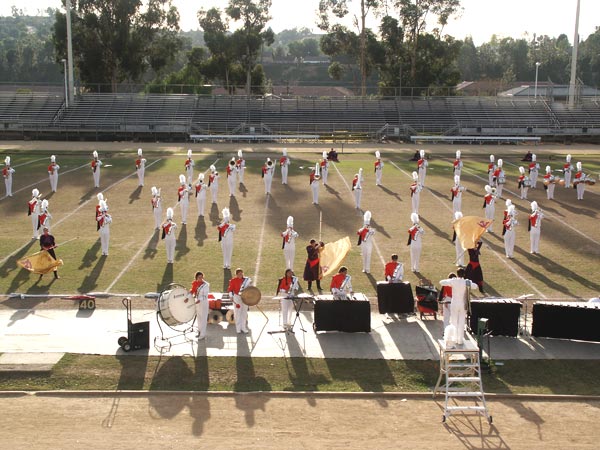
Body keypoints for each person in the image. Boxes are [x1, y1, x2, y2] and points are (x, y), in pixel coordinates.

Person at [439, 268, 477, 345]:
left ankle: (454, 338)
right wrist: (468, 282)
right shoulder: (466, 282)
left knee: (454, 321)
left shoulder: (454, 281)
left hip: (454, 303)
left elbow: (441, 282)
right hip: (462, 303)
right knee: (462, 321)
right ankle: (460, 340)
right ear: (464, 274)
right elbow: (475, 286)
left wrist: (452, 280)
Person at [228, 268, 250, 334]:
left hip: (245, 297)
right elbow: (230, 289)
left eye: (241, 273)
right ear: (236, 274)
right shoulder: (233, 280)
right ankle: (238, 328)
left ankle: (243, 327)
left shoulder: (246, 280)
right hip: (237, 297)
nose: (241, 275)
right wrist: (231, 296)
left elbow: (250, 288)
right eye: (239, 274)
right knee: (237, 313)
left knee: (244, 313)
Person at [190, 271, 210, 340]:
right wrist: (187, 297)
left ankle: (203, 334)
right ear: (196, 278)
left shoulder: (206, 285)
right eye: (199, 277)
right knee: (199, 318)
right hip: (197, 302)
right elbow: (192, 291)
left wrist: (199, 300)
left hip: (203, 302)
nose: (200, 278)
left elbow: (205, 296)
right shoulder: (195, 283)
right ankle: (199, 331)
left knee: (203, 319)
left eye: (201, 277)